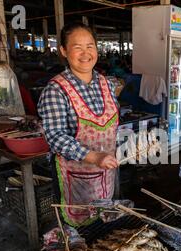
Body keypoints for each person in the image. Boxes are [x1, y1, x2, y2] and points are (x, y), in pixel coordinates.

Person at [38, 22, 119, 227]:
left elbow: (112, 124)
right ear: (64, 51)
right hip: (74, 178)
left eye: (90, 46)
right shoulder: (56, 89)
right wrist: (93, 156)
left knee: (104, 227)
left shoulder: (106, 83)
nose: (85, 53)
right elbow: (55, 136)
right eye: (77, 47)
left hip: (106, 173)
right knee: (79, 233)